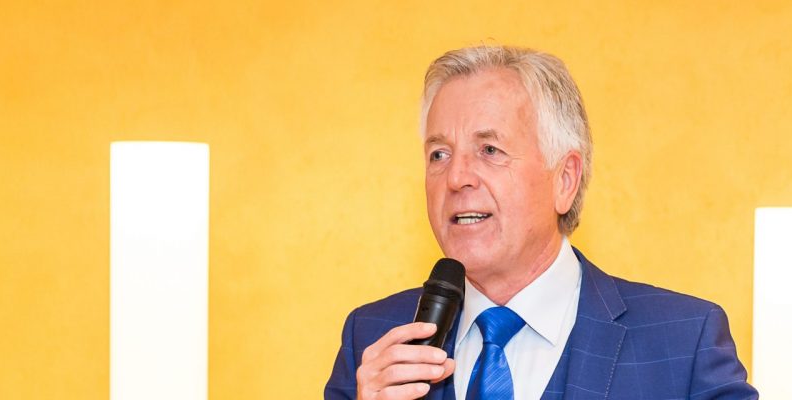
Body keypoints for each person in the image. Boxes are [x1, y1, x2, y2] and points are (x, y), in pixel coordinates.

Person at [325, 45, 758, 400]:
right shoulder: (372, 340)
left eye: (489, 150)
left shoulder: (685, 343)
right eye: (439, 154)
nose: (456, 178)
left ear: (564, 180)